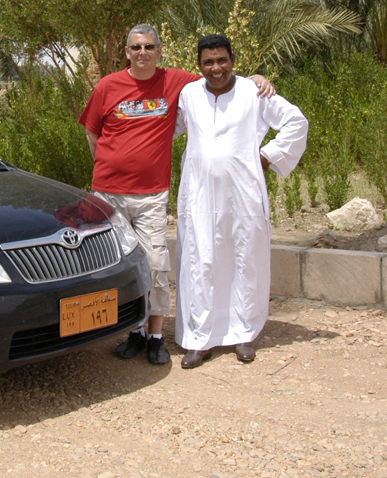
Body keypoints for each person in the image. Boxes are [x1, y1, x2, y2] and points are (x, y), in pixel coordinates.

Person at [79, 24, 273, 365]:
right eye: (136, 47)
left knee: (155, 266)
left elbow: (219, 76)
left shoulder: (177, 82)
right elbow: (91, 131)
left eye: (149, 47)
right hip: (109, 195)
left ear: (160, 50)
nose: (143, 53)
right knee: (114, 266)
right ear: (127, 51)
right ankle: (132, 332)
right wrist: (109, 166)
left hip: (152, 194)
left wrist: (256, 78)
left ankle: (155, 336)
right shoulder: (108, 86)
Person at [173, 33, 308, 368]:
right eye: (208, 61)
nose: (216, 67)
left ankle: (243, 334)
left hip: (243, 194)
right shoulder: (188, 94)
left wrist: (265, 157)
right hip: (199, 194)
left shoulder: (254, 91)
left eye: (222, 60)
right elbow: (164, 129)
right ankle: (198, 339)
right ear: (199, 64)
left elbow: (296, 122)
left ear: (233, 59)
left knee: (245, 258)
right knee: (199, 261)